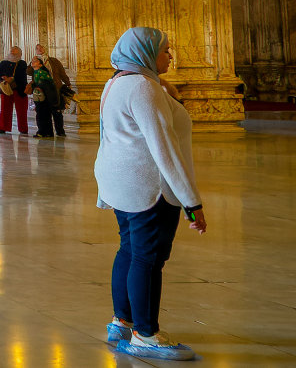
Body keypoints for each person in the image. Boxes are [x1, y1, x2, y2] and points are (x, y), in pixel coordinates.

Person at [96, 28, 205, 362]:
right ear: (146, 52)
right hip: (148, 188)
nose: (170, 56)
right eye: (166, 50)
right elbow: (165, 150)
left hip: (122, 183)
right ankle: (146, 334)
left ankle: (122, 322)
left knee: (129, 250)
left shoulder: (119, 81)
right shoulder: (144, 88)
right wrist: (192, 202)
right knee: (148, 258)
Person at [36, 42, 74, 136]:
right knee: (43, 113)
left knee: (57, 111)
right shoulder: (34, 62)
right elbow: (29, 72)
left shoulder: (54, 61)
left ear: (45, 49)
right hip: (41, 90)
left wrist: (68, 83)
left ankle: (60, 131)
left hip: (55, 89)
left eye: (41, 48)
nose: (40, 49)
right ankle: (45, 132)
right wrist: (34, 63)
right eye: (37, 48)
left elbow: (62, 73)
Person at [0, 46, 30, 134]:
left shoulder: (22, 63)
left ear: (20, 54)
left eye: (15, 53)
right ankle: (3, 128)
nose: (13, 54)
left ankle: (23, 129)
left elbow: (22, 75)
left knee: (21, 110)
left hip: (19, 89)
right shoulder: (3, 62)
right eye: (12, 52)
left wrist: (12, 78)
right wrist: (3, 77)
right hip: (6, 89)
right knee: (5, 109)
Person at [29, 56, 59, 138]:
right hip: (39, 96)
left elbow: (47, 83)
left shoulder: (42, 72)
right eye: (32, 61)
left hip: (44, 96)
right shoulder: (35, 71)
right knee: (43, 114)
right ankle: (48, 132)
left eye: (35, 61)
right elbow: (27, 70)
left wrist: (38, 86)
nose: (33, 62)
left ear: (40, 64)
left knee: (42, 115)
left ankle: (42, 132)